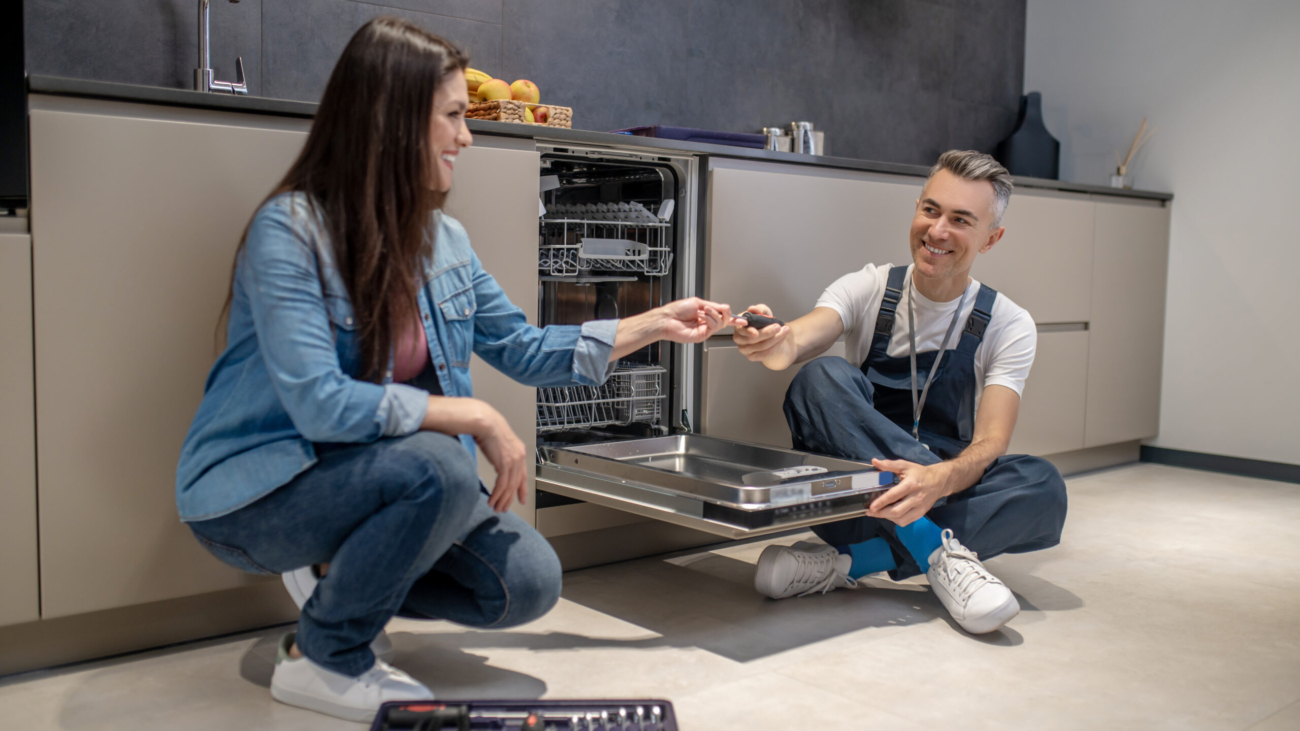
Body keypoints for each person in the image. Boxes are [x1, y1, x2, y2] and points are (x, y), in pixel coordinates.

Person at [175, 18, 733, 722]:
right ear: (391, 119)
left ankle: (334, 576)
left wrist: (652, 323)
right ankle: (323, 655)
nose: (467, 137)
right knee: (441, 461)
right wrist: (470, 415)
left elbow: (525, 349)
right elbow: (320, 404)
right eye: (453, 117)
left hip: (387, 477)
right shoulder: (291, 230)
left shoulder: (444, 242)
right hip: (264, 491)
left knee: (527, 581)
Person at [730, 150, 1067, 635]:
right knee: (819, 378)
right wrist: (772, 340)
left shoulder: (1008, 324)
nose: (937, 231)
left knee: (1044, 486)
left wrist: (938, 481)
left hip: (940, 490)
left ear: (991, 238)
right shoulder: (868, 287)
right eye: (930, 210)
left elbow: (992, 443)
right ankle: (937, 550)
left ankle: (848, 564)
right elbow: (796, 343)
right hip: (853, 499)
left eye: (960, 220)